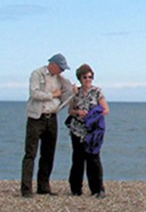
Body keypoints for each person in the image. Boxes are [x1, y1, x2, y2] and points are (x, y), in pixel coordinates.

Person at [21, 53, 73, 197]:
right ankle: (26, 188)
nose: (62, 71)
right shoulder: (37, 74)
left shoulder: (60, 79)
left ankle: (43, 186)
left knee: (48, 153)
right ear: (53, 65)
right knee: (30, 153)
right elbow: (34, 93)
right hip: (36, 118)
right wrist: (52, 95)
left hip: (52, 118)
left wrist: (69, 91)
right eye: (61, 68)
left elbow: (67, 92)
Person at [67, 64, 110, 197]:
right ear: (80, 78)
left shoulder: (97, 92)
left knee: (93, 159)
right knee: (77, 159)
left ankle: (97, 189)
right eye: (85, 77)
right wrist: (78, 112)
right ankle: (76, 189)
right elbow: (70, 110)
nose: (88, 79)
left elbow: (106, 110)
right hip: (77, 129)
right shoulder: (76, 93)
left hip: (92, 131)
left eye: (90, 77)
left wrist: (93, 114)